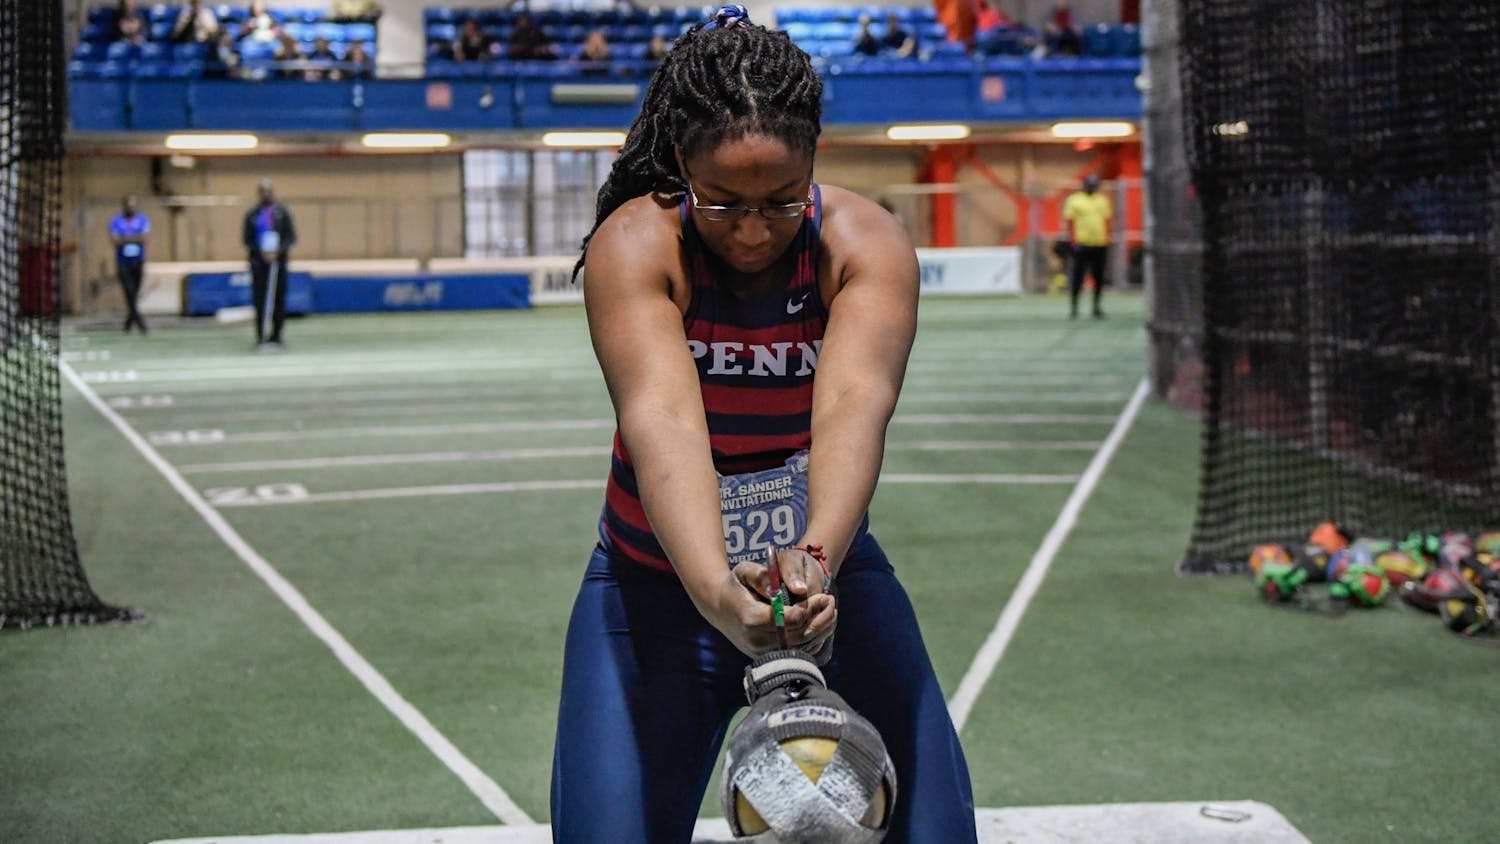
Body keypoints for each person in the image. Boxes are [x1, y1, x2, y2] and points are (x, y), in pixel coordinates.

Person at [552, 6, 978, 843]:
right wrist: (716, 591)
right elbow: (664, 419)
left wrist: (815, 562)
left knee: (935, 831)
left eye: (782, 202)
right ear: (681, 164)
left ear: (815, 160)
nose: (752, 231)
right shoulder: (637, 244)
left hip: (827, 588)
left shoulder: (864, 244)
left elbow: (855, 404)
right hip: (653, 591)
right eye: (723, 202)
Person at [242, 180, 296, 351]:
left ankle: (277, 335)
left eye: (268, 191)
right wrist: (261, 253)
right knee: (260, 300)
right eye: (263, 191)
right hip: (259, 265)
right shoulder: (252, 215)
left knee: (279, 300)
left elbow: (291, 237)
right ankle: (261, 336)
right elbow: (247, 239)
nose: (266, 194)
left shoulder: (282, 213)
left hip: (279, 264)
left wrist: (277, 252)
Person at [1062, 174, 1111, 318]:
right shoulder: (1074, 200)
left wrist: (1107, 238)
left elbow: (1107, 220)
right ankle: (1074, 307)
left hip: (1099, 243)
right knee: (1078, 276)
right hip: (1081, 243)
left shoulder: (1102, 200)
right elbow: (1070, 221)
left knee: (1099, 277)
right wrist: (1073, 240)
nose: (1091, 187)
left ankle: (1096, 307)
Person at [108, 195, 150, 335]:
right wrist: (133, 239)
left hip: (138, 262)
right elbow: (115, 241)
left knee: (134, 293)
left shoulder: (142, 219)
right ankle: (141, 323)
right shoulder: (116, 221)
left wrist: (124, 239)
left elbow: (143, 238)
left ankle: (128, 323)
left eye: (133, 205)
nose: (130, 208)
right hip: (123, 263)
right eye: (128, 205)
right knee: (129, 291)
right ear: (124, 206)